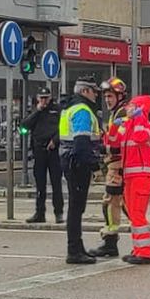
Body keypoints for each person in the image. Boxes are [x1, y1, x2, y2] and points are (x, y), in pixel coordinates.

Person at [58, 80, 103, 264]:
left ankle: (77, 247)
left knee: (76, 207)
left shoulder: (70, 107)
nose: (96, 95)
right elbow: (82, 143)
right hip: (77, 163)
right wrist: (95, 166)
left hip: (69, 160)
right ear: (85, 91)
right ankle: (74, 251)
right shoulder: (82, 110)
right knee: (76, 208)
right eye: (94, 91)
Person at [117, 95, 150, 265]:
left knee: (137, 214)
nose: (128, 109)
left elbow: (140, 137)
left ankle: (145, 253)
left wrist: (139, 116)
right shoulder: (128, 126)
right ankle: (139, 249)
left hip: (142, 175)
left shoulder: (148, 126)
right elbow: (113, 142)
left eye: (132, 106)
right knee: (133, 214)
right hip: (130, 176)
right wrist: (117, 125)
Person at [93, 77, 129, 258]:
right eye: (106, 96)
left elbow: (119, 144)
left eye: (110, 96)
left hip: (118, 166)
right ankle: (148, 240)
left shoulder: (122, 114)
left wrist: (102, 147)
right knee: (126, 206)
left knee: (110, 202)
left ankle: (110, 242)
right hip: (117, 165)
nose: (107, 100)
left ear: (120, 96)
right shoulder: (117, 113)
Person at [23, 91, 63, 224]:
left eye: (46, 98)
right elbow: (24, 126)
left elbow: (64, 128)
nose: (44, 101)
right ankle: (39, 213)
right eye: (42, 98)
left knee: (56, 183)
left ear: (50, 98)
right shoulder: (36, 112)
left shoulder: (57, 110)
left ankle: (58, 212)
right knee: (40, 184)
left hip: (53, 151)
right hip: (39, 151)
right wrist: (37, 111)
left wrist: (55, 140)